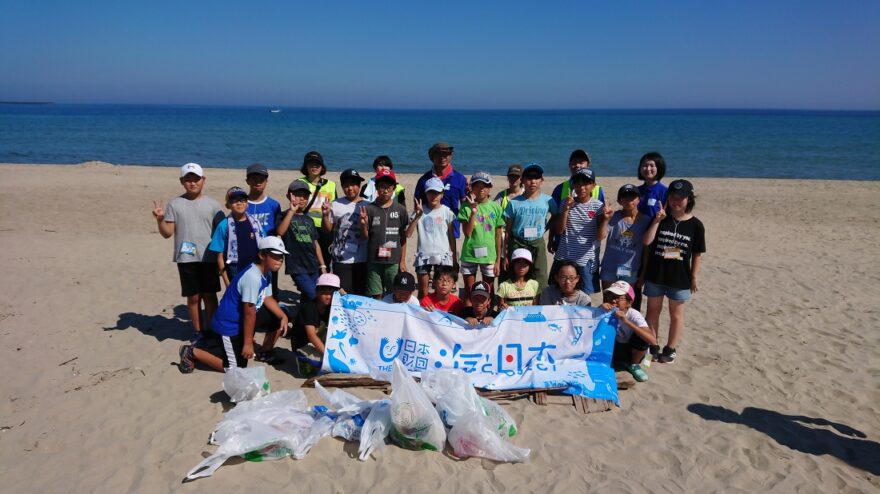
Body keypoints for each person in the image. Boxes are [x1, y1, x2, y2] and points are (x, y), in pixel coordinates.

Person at [177, 236, 289, 373]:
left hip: (243, 320)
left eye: (281, 256)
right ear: (261, 255)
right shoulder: (253, 277)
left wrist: (283, 316)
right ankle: (191, 352)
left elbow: (267, 297)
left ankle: (265, 351)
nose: (280, 260)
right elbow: (249, 312)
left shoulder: (267, 272)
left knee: (279, 315)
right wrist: (248, 344)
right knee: (233, 369)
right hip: (229, 325)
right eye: (275, 256)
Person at [152, 162, 224, 340]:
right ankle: (199, 331)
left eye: (196, 179)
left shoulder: (213, 205)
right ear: (181, 181)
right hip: (186, 258)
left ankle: (212, 330)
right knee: (193, 297)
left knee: (209, 295)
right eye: (188, 179)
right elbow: (167, 233)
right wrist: (160, 220)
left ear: (203, 180)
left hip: (209, 257)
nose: (192, 183)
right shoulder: (175, 204)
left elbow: (223, 232)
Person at [642, 179, 705, 364]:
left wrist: (694, 277)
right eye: (672, 197)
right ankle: (653, 345)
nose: (676, 201)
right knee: (653, 310)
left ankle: (670, 348)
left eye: (681, 198)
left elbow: (697, 254)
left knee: (676, 314)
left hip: (680, 277)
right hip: (656, 273)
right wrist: (657, 221)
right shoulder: (661, 218)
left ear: (689, 199)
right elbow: (646, 242)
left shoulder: (696, 225)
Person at [550, 168, 612, 294]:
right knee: (558, 295)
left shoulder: (598, 206)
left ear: (593, 186)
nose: (582, 187)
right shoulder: (566, 202)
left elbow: (600, 237)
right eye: (578, 183)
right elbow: (560, 230)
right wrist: (566, 209)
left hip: (586, 260)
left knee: (584, 297)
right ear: (573, 185)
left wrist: (606, 220)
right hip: (564, 257)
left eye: (586, 183)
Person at [501, 162, 555, 291]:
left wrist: (545, 229)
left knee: (540, 275)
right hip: (518, 241)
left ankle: (539, 303)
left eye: (536, 178)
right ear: (523, 180)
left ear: (541, 180)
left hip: (537, 242)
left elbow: (556, 216)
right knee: (515, 274)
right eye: (529, 178)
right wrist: (505, 253)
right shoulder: (514, 203)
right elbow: (507, 230)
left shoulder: (548, 200)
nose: (533, 182)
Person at [600, 184, 652, 310]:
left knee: (625, 304)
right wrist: (605, 219)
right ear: (619, 200)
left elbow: (646, 249)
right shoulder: (614, 216)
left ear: (639, 199)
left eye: (633, 197)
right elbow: (600, 236)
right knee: (608, 303)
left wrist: (643, 273)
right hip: (609, 268)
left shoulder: (646, 221)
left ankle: (624, 329)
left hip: (629, 270)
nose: (629, 201)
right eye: (625, 197)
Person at [360, 169, 409, 298]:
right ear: (376, 187)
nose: (385, 190)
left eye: (388, 187)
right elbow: (365, 237)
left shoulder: (401, 210)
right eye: (382, 187)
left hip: (393, 261)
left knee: (393, 294)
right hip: (374, 260)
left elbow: (403, 237)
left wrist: (402, 261)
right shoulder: (369, 209)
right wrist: (363, 224)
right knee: (376, 294)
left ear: (394, 188)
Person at [406, 177, 457, 299]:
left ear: (442, 193)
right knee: (423, 291)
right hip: (424, 255)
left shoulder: (447, 212)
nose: (433, 196)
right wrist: (418, 216)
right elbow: (408, 234)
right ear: (426, 193)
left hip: (443, 256)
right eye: (430, 192)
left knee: (442, 290)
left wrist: (454, 257)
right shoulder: (419, 211)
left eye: (437, 192)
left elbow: (451, 236)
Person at [277, 180, 327, 301]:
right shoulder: (284, 215)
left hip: (313, 265)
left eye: (305, 196)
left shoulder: (309, 219)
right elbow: (280, 232)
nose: (302, 199)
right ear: (289, 195)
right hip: (297, 267)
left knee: (308, 298)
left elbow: (315, 243)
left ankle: (304, 319)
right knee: (314, 295)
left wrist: (322, 265)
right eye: (298, 195)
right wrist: (291, 211)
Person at [458, 171, 504, 303]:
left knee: (488, 290)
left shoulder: (496, 208)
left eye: (484, 186)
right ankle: (468, 317)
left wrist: (498, 261)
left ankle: (488, 317)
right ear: (471, 187)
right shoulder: (465, 207)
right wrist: (473, 212)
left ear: (490, 188)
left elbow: (498, 235)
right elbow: (467, 233)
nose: (481, 189)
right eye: (477, 186)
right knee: (469, 290)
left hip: (489, 255)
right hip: (469, 254)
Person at [549, 149, 605, 254]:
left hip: (586, 247)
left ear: (588, 165)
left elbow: (600, 220)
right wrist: (551, 238)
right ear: (569, 165)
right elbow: (555, 216)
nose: (577, 165)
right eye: (574, 162)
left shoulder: (597, 189)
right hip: (563, 244)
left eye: (581, 162)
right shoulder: (560, 188)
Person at [323, 169, 369, 295]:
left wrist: (364, 223)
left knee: (360, 294)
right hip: (341, 260)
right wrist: (325, 215)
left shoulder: (367, 205)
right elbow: (328, 229)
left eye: (353, 184)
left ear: (359, 186)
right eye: (346, 185)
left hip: (362, 258)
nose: (350, 188)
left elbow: (367, 235)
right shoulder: (335, 204)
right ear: (342, 186)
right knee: (344, 294)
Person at [599, 281, 656, 382]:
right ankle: (609, 362)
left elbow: (652, 340)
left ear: (629, 302)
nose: (613, 300)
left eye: (619, 297)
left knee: (642, 338)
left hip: (630, 350)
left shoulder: (634, 314)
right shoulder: (605, 310)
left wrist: (626, 321)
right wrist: (599, 310)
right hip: (613, 348)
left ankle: (634, 365)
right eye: (610, 296)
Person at [208, 186, 263, 286]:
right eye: (234, 200)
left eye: (242, 200)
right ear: (227, 205)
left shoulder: (256, 223)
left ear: (247, 203)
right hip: (235, 270)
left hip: (255, 267)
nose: (239, 203)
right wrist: (227, 282)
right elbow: (219, 257)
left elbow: (264, 246)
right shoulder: (223, 225)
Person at [290, 273, 343, 374]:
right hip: (303, 344)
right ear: (317, 292)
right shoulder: (310, 308)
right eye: (324, 293)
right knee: (318, 368)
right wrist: (328, 356)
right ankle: (303, 360)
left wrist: (343, 295)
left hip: (318, 337)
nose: (328, 297)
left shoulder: (331, 306)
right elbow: (311, 336)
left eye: (331, 294)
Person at [413, 142, 467, 238]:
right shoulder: (424, 180)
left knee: (452, 253)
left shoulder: (460, 178)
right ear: (432, 156)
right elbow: (417, 207)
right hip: (429, 230)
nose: (443, 157)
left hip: (451, 229)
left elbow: (465, 206)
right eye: (438, 154)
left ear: (450, 156)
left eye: (446, 154)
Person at [245, 163, 283, 297]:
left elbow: (279, 230)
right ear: (247, 181)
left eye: (261, 179)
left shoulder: (273, 205)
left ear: (266, 181)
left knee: (270, 289)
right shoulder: (242, 204)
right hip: (247, 253)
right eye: (254, 178)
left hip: (269, 255)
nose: (257, 182)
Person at [297, 151, 338, 269]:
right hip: (305, 227)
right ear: (306, 166)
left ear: (322, 167)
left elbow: (334, 208)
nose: (314, 167)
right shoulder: (300, 183)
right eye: (311, 164)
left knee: (325, 261)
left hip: (325, 229)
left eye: (317, 164)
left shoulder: (331, 185)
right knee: (308, 260)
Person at [636, 152, 668, 220]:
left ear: (659, 168)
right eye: (645, 165)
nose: (648, 169)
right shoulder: (636, 191)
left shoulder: (665, 192)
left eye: (652, 165)